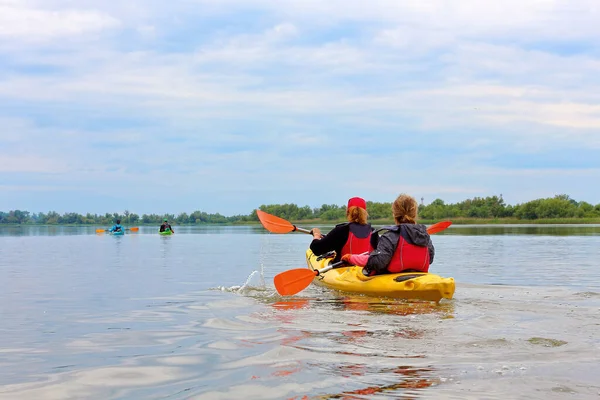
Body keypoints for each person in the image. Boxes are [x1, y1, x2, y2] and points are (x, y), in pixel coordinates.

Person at [342, 194, 434, 276]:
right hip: (419, 276)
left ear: (394, 214)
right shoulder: (424, 235)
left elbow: (379, 262)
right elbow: (430, 259)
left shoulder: (391, 235)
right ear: (414, 213)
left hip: (394, 277)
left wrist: (351, 258)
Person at [309, 197, 378, 263]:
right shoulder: (374, 232)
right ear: (365, 213)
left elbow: (316, 249)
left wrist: (316, 235)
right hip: (366, 271)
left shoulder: (341, 231)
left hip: (344, 270)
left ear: (348, 212)